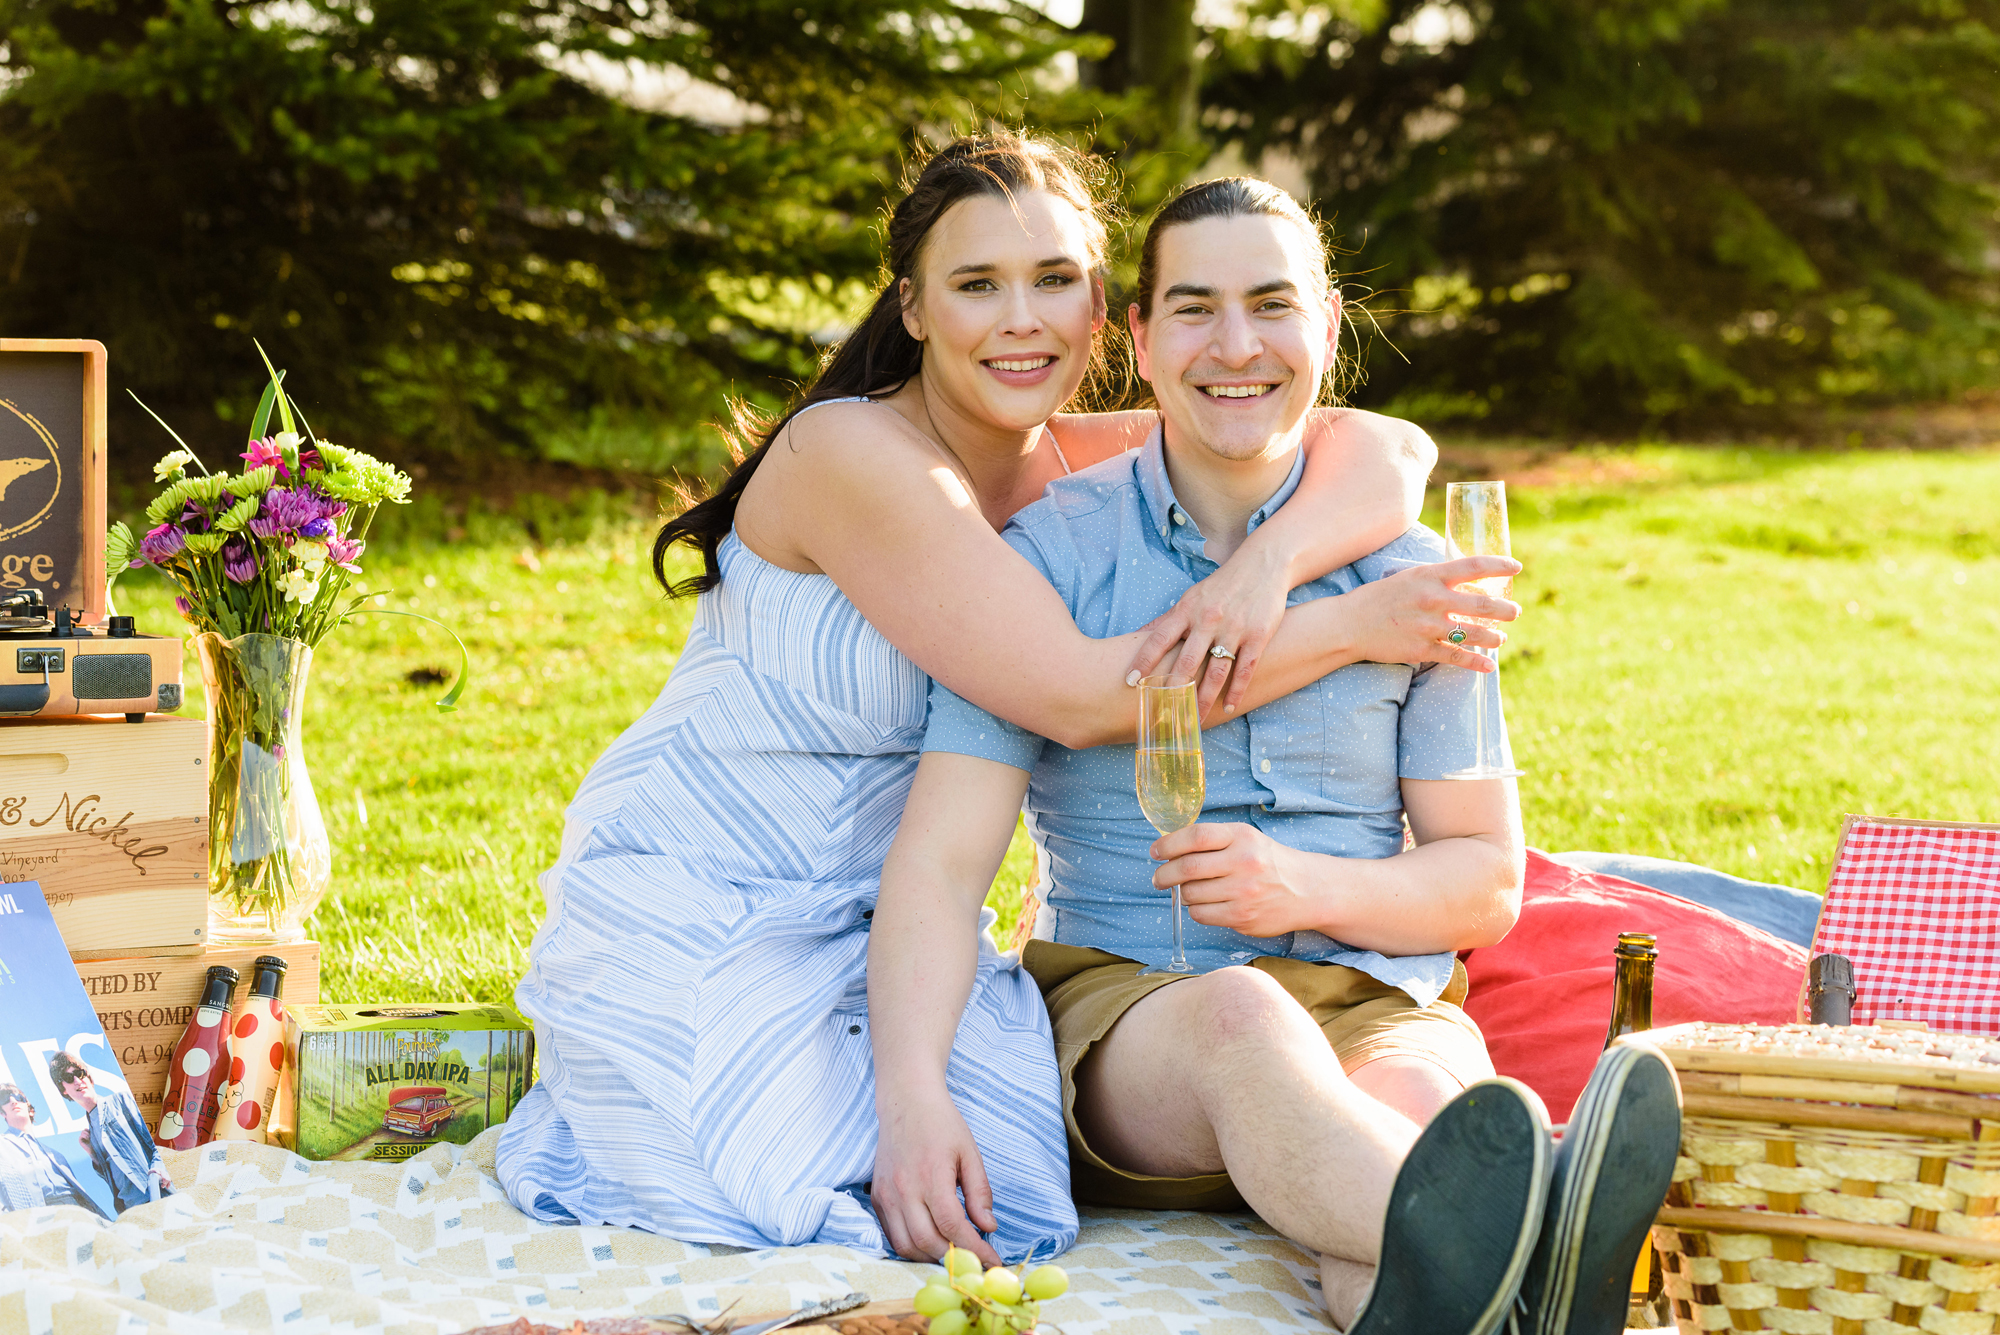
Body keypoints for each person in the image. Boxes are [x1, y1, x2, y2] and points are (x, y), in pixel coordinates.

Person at [495, 132, 1520, 1263]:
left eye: (1052, 283)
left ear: (1099, 315)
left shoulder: (1061, 461)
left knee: (1139, 1158)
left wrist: (1265, 570)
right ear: (914, 308)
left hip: (892, 921)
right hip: (726, 896)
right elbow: (1082, 699)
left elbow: (1376, 445)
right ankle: (1508, 1244)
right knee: (830, 1189)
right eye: (976, 284)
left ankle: (1457, 1262)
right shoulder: (856, 453)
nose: (1020, 319)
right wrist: (1351, 628)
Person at [869, 177, 1682, 1334]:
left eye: (1270, 304)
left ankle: (1493, 1260)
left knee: (1404, 1223)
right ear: (1139, 341)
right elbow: (943, 867)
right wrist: (908, 1100)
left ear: (1327, 328)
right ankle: (1550, 1234)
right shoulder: (1047, 552)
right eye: (1194, 309)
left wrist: (1310, 888)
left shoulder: (1409, 574)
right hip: (1137, 1016)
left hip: (1373, 999)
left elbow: (1482, 884)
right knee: (1246, 1021)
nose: (1235, 346)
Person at [51, 1051, 171, 1212]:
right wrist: (93, 1155)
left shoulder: (122, 1101)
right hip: (130, 1209)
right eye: (68, 1078)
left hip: (155, 1194)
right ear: (63, 1089)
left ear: (88, 1076)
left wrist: (159, 1170)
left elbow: (154, 1142)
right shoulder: (90, 1133)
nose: (77, 1081)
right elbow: (113, 1177)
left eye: (80, 1074)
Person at [0, 1083, 112, 1218]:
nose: (13, 1101)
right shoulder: (3, 1145)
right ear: (1, 1112)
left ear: (29, 1107)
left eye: (18, 1097)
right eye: (5, 1100)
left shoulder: (55, 1155)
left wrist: (92, 1154)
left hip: (77, 1210)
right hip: (44, 1214)